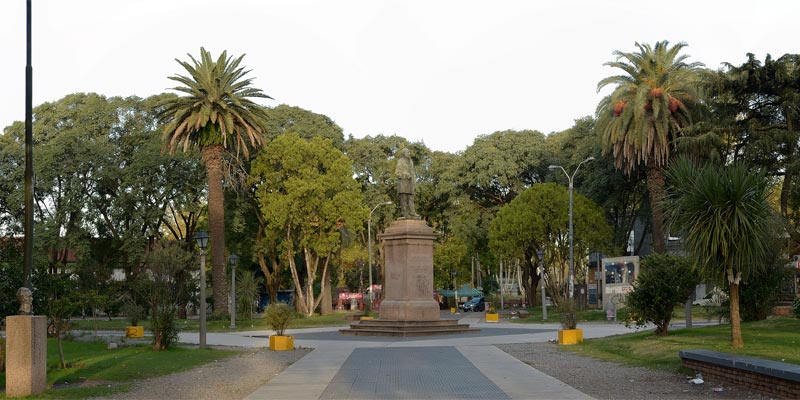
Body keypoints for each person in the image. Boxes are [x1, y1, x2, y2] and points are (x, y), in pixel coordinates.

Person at [395, 148, 419, 219]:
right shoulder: (400, 161)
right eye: (408, 152)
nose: (409, 154)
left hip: (410, 183)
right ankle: (404, 213)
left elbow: (413, 173)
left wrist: (414, 182)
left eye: (409, 152)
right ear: (404, 153)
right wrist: (404, 174)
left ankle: (412, 212)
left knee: (411, 198)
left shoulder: (411, 161)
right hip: (403, 182)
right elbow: (397, 173)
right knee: (404, 199)